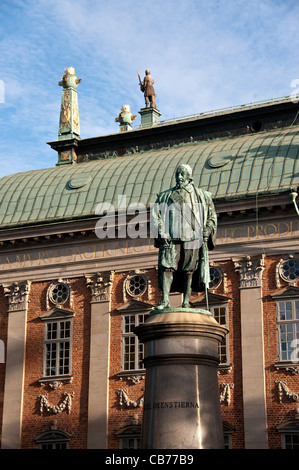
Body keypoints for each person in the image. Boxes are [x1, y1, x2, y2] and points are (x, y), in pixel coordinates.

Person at [152, 164, 217, 309]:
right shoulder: (165, 196)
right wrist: (161, 231)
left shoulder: (202, 195)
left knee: (189, 270)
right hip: (171, 238)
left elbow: (212, 216)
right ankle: (165, 300)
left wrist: (208, 229)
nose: (179, 177)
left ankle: (186, 301)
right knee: (167, 267)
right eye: (177, 175)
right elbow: (155, 215)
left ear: (189, 176)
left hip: (192, 237)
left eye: (182, 174)